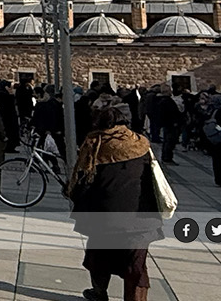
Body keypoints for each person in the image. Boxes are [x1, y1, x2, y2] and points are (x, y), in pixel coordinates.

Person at [67, 94, 163, 301]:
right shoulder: (141, 144)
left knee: (99, 257)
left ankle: (99, 293)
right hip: (140, 216)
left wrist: (73, 195)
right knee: (136, 265)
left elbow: (82, 182)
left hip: (105, 217)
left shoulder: (94, 146)